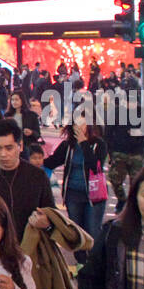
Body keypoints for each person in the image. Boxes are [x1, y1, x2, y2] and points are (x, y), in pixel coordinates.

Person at [0, 121, 54, 246]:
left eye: (9, 148)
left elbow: (51, 212)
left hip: (30, 249)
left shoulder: (37, 176)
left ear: (21, 146)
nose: (3, 154)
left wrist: (47, 224)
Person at [43, 109, 107, 262]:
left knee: (92, 231)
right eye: (76, 122)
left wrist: (84, 143)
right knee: (76, 232)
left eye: (83, 123)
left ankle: (94, 264)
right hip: (73, 194)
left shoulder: (99, 144)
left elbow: (94, 166)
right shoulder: (68, 145)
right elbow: (52, 162)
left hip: (94, 196)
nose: (79, 126)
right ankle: (81, 263)